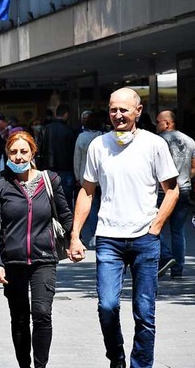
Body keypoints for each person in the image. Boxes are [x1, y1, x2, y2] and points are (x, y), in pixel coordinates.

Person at [68, 88, 179, 368]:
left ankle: (140, 365)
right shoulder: (98, 145)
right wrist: (76, 235)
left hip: (144, 238)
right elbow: (87, 191)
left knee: (144, 312)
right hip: (108, 238)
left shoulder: (154, 144)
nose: (118, 115)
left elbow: (172, 191)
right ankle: (116, 358)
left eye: (124, 110)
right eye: (113, 109)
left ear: (138, 112)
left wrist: (155, 228)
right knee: (107, 306)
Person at [0, 131, 72, 368]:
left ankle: (40, 366)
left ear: (33, 153)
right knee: (20, 318)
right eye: (13, 152)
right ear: (7, 154)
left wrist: (75, 241)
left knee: (42, 313)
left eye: (24, 151)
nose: (19, 156)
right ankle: (24, 365)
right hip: (12, 262)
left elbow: (65, 216)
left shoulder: (49, 180)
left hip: (44, 259)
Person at [155, 110, 195, 278]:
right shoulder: (190, 141)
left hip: (162, 191)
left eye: (158, 122)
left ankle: (165, 257)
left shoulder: (159, 141)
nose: (156, 125)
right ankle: (178, 269)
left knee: (152, 227)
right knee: (178, 231)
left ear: (168, 123)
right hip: (184, 188)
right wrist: (186, 179)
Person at [36, 104, 77, 210]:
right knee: (66, 201)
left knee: (48, 198)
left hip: (47, 170)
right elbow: (73, 152)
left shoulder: (45, 129)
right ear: (66, 114)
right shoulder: (69, 131)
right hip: (66, 169)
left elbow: (38, 150)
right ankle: (66, 224)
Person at [73, 112, 103, 248]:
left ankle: (93, 235)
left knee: (91, 207)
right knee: (102, 206)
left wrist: (77, 176)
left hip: (85, 176)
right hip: (101, 178)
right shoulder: (103, 137)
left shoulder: (81, 137)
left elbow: (77, 158)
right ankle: (102, 233)